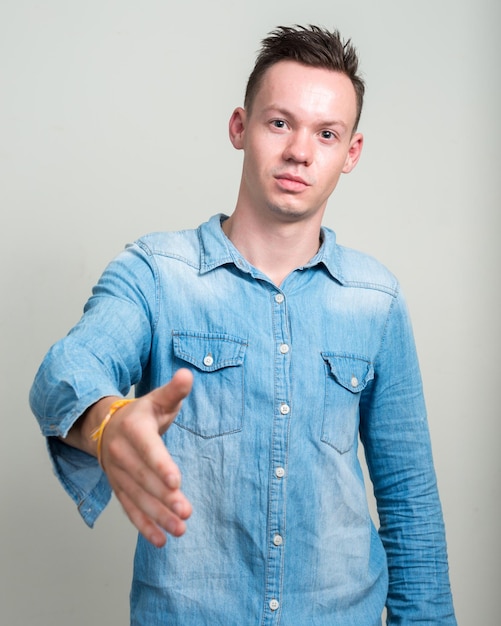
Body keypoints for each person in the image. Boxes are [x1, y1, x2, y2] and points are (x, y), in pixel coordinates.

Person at [30, 25, 456, 625]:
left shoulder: (375, 301)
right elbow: (66, 369)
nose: (300, 152)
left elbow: (410, 504)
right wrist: (109, 424)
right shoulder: (158, 273)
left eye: (326, 133)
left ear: (351, 152)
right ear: (240, 127)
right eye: (279, 123)